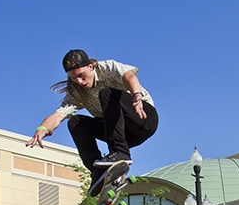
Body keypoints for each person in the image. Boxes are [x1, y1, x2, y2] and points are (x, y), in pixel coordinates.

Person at [27, 49, 159, 197]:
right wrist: (42, 128)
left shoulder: (106, 68)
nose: (79, 82)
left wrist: (136, 95)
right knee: (75, 122)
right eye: (74, 78)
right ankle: (98, 171)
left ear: (90, 67)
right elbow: (59, 114)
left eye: (81, 76)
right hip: (125, 134)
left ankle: (120, 153)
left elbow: (129, 76)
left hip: (143, 118)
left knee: (106, 93)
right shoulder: (76, 92)